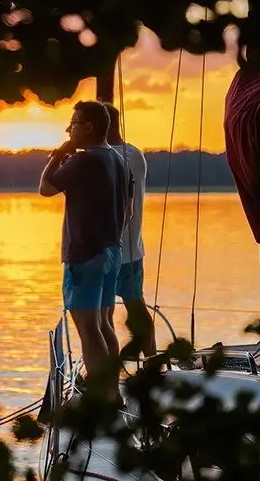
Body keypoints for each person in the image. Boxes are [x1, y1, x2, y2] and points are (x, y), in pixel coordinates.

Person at [39, 101, 133, 380]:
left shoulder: (85, 160)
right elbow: (128, 211)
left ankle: (101, 393)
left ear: (89, 127)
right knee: (103, 324)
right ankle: (112, 389)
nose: (69, 130)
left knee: (88, 329)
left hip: (85, 255)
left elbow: (45, 188)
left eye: (74, 124)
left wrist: (58, 154)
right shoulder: (119, 160)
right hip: (112, 252)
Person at [104, 103, 157, 358]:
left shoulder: (111, 157)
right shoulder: (135, 154)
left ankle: (108, 365)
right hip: (132, 249)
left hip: (111, 251)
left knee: (103, 313)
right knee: (136, 307)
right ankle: (151, 358)